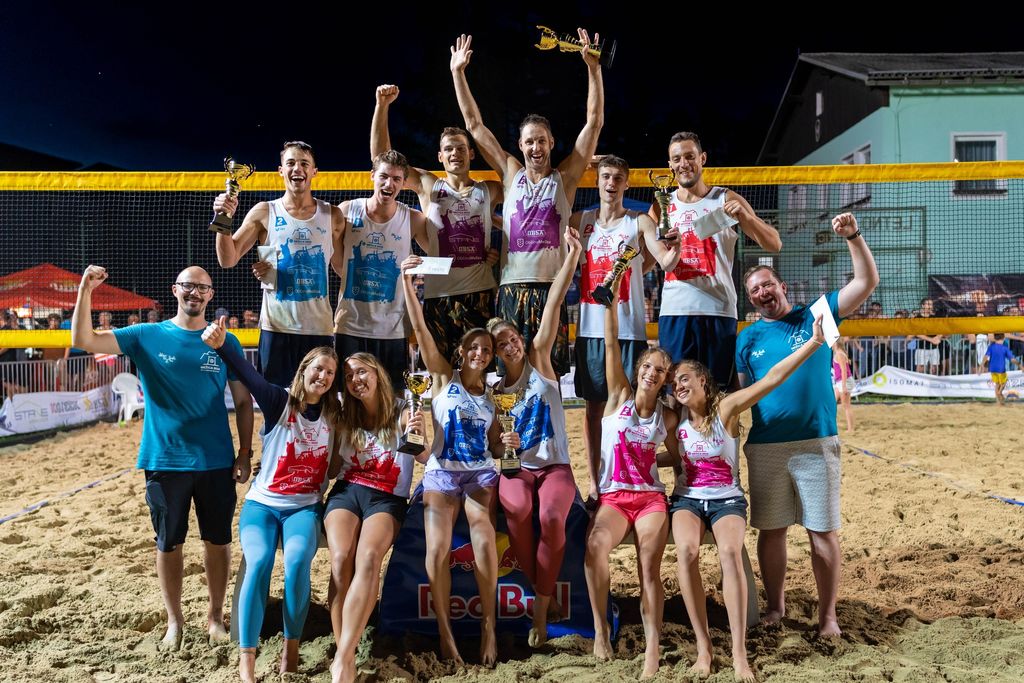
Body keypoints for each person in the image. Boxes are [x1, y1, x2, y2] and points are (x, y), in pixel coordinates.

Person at [71, 265, 255, 651]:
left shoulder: (225, 341)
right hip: (165, 460)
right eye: (188, 286)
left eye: (202, 287)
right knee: (168, 543)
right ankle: (175, 621)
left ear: (211, 294)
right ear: (175, 290)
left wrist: (244, 452)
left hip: (216, 459)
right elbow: (84, 339)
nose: (194, 292)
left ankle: (215, 617)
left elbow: (243, 402)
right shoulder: (147, 335)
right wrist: (85, 290)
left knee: (218, 541)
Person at [736, 212, 878, 636]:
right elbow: (742, 394)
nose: (762, 292)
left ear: (783, 286)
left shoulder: (816, 315)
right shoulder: (747, 338)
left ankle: (828, 617)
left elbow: (865, 282)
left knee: (822, 532)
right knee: (771, 531)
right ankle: (776, 608)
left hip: (817, 443)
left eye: (767, 284)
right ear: (750, 299)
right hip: (766, 446)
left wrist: (852, 236)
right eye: (754, 290)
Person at [669, 317, 825, 682]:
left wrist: (814, 343)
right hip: (687, 500)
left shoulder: (725, 409)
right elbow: (663, 451)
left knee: (728, 553)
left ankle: (739, 653)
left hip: (726, 500)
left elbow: (771, 379)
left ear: (702, 380)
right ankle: (704, 648)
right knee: (686, 553)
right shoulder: (676, 419)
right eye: (674, 382)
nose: (678, 385)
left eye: (685, 378)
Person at [450, 30, 603, 377]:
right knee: (510, 374)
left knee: (549, 373)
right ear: (520, 145)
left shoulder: (564, 178)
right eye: (530, 141)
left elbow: (594, 123)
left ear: (552, 143)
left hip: (552, 288)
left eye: (542, 141)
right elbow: (474, 125)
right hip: (512, 288)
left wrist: (593, 69)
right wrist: (458, 73)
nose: (536, 147)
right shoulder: (510, 173)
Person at [201, 319, 340, 682]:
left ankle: (290, 650)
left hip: (304, 508)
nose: (323, 376)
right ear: (304, 370)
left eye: (330, 372)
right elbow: (250, 375)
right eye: (318, 368)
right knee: (260, 561)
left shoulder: (336, 413)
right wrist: (222, 345)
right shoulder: (280, 400)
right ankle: (247, 659)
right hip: (262, 505)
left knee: (296, 563)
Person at [401, 254, 518, 667]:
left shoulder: (494, 396)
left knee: (484, 538)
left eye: (486, 350)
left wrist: (508, 443)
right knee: (436, 549)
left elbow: (497, 449)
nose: (481, 353)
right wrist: (408, 284)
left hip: (480, 474)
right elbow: (420, 329)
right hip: (441, 474)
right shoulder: (441, 378)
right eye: (474, 347)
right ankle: (446, 635)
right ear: (462, 351)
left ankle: (489, 626)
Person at [488, 225, 582, 646]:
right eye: (501, 344)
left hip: (555, 466)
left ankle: (540, 611)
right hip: (517, 468)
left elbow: (554, 302)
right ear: (495, 353)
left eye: (512, 338)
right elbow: (493, 445)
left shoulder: (541, 361)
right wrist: (501, 446)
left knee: (550, 519)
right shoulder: (494, 392)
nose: (510, 345)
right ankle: (543, 592)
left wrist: (571, 257)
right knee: (518, 512)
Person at [370, 84, 502, 376]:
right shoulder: (429, 185)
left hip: (479, 293)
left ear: (472, 154)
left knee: (479, 376)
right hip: (438, 295)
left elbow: (528, 186)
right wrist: (382, 107)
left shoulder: (489, 190)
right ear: (440, 156)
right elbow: (383, 160)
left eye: (461, 148)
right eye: (449, 149)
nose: (455, 153)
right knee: (442, 377)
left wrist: (585, 166)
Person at [572, 155, 680, 503]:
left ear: (627, 183)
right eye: (605, 176)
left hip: (630, 330)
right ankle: (596, 483)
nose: (611, 183)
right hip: (590, 328)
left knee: (636, 408)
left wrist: (675, 247)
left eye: (618, 177)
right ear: (597, 180)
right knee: (594, 409)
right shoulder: (580, 220)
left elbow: (665, 260)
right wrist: (580, 161)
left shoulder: (639, 221)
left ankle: (631, 479)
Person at [585, 286, 676, 680]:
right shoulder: (619, 394)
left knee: (648, 566)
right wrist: (610, 307)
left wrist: (652, 459)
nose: (652, 373)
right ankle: (600, 631)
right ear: (638, 369)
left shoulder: (667, 417)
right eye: (648, 366)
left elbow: (680, 458)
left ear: (666, 379)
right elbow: (610, 344)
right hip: (615, 498)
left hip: (650, 498)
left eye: (660, 370)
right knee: (595, 548)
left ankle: (652, 646)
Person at [649, 131, 782, 389]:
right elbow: (646, 260)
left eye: (690, 156)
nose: (684, 164)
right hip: (676, 311)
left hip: (718, 310)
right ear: (670, 165)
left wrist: (747, 217)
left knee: (716, 392)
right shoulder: (660, 206)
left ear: (703, 158)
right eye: (677, 159)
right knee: (676, 394)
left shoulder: (725, 199)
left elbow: (774, 244)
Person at [323, 351, 424, 683]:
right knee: (341, 558)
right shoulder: (345, 416)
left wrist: (418, 431)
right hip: (347, 491)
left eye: (362, 372)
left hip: (387, 497)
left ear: (378, 374)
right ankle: (346, 653)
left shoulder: (404, 411)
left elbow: (424, 457)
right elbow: (333, 470)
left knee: (368, 558)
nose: (356, 380)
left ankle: (343, 657)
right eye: (349, 376)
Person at [214, 141, 346, 387]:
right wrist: (224, 217)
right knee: (276, 404)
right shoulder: (265, 212)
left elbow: (342, 269)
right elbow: (227, 259)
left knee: (318, 405)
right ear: (281, 170)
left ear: (314, 171)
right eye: (291, 163)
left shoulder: (333, 215)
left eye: (304, 163)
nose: (298, 168)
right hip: (276, 328)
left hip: (318, 328)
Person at [335, 150, 430, 391]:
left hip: (393, 329)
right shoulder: (347, 211)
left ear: (404, 183)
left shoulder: (413, 219)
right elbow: (334, 260)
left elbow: (440, 254)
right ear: (372, 176)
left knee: (392, 400)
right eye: (384, 176)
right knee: (350, 399)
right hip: (350, 325)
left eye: (397, 179)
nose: (389, 184)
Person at [984, 333, 1021, 406]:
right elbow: (1012, 359)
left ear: (995, 338)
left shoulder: (991, 347)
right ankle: (1000, 392)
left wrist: (982, 365)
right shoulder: (1004, 348)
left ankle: (998, 402)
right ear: (1003, 338)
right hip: (1000, 369)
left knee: (997, 384)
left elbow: (986, 356)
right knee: (1004, 382)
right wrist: (1019, 365)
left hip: (992, 369)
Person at [914, 298, 942, 375]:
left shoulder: (935, 318)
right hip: (921, 349)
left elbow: (942, 330)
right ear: (923, 305)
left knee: (934, 370)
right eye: (928, 304)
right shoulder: (917, 318)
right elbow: (917, 333)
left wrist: (938, 337)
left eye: (931, 304)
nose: (930, 306)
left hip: (934, 348)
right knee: (920, 371)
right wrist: (931, 340)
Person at [832, 341, 855, 432]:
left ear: (835, 343)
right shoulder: (840, 353)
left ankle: (851, 429)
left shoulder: (839, 354)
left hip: (844, 381)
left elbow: (844, 371)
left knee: (846, 405)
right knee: (832, 402)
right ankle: (832, 423)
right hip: (841, 381)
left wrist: (844, 386)